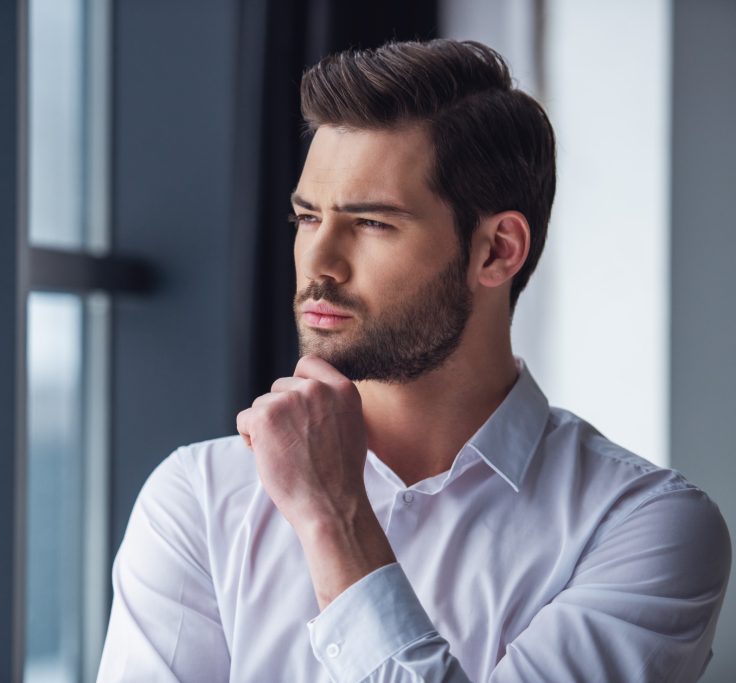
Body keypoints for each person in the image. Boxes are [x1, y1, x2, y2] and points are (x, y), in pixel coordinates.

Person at [96, 39, 731, 682]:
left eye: (371, 223)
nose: (320, 262)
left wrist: (334, 520)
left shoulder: (644, 527)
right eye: (307, 217)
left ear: (496, 251)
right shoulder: (199, 497)